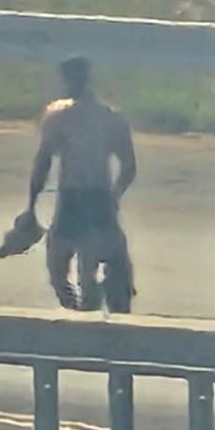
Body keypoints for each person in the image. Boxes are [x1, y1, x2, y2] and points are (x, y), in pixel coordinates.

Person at [27, 57, 136, 312]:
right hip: (83, 196)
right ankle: (84, 309)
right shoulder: (100, 117)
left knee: (76, 268)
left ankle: (90, 314)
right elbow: (129, 166)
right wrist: (114, 196)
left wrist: (114, 196)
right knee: (64, 266)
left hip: (87, 196)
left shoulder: (77, 117)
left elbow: (129, 165)